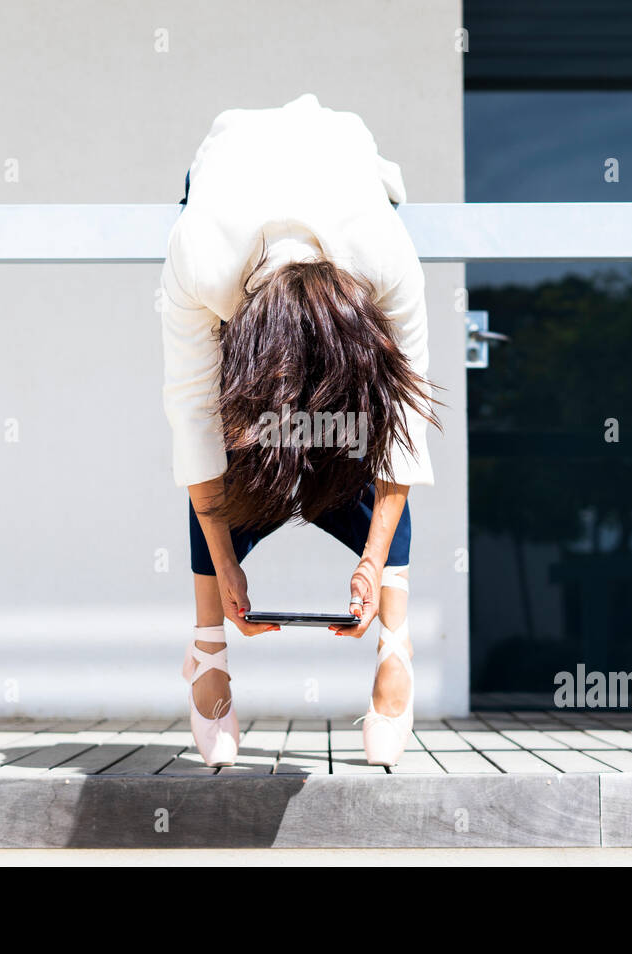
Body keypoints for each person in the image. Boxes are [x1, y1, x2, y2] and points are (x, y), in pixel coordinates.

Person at [160, 93, 438, 767]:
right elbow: (192, 417)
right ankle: (207, 654)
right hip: (225, 172)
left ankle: (394, 655)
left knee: (358, 427)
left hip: (345, 160)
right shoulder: (199, 260)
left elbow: (404, 434)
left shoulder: (387, 257)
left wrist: (372, 563)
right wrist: (226, 568)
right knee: (232, 441)